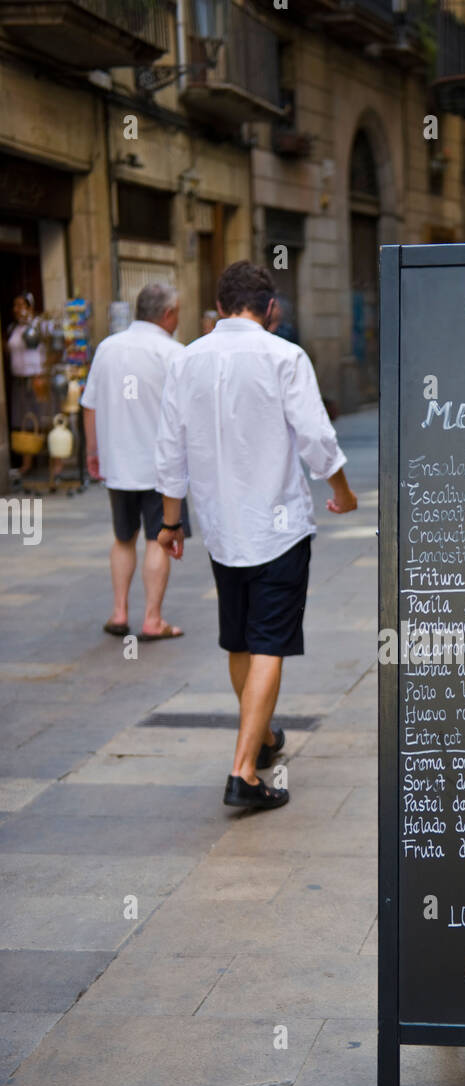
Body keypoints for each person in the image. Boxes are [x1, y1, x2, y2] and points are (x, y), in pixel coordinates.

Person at [154, 260, 358, 811]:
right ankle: (243, 772)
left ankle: (263, 738)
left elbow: (169, 450)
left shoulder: (187, 360)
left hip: (222, 530)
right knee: (269, 642)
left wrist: (171, 523)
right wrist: (342, 490)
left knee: (240, 639)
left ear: (219, 307)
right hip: (279, 529)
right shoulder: (284, 356)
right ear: (269, 309)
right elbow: (317, 436)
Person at [82, 282, 189, 640]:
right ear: (168, 313)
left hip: (118, 464)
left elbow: (89, 404)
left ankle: (119, 612)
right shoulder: (174, 353)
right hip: (160, 468)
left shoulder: (108, 348)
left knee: (122, 538)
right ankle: (152, 619)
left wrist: (93, 452)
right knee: (159, 539)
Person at [4, 292, 48, 483]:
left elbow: (49, 348)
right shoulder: (13, 328)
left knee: (42, 419)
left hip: (37, 379)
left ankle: (50, 461)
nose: (17, 309)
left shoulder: (39, 325)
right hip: (19, 379)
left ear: (30, 307)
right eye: (15, 305)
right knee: (23, 422)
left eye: (22, 305)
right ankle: (26, 463)